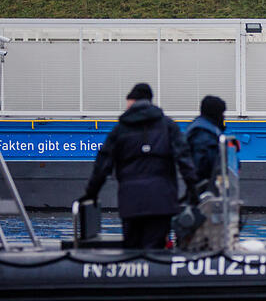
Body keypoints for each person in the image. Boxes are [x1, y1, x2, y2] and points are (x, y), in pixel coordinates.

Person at [80, 83, 199, 250]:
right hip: (162, 200)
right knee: (156, 251)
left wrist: (91, 193)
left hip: (131, 202)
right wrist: (193, 191)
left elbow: (103, 165)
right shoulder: (168, 126)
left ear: (132, 101)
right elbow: (185, 160)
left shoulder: (120, 130)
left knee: (132, 250)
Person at [186, 95, 226, 193]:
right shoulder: (203, 133)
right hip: (205, 189)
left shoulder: (202, 127)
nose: (223, 117)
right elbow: (203, 164)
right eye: (222, 113)